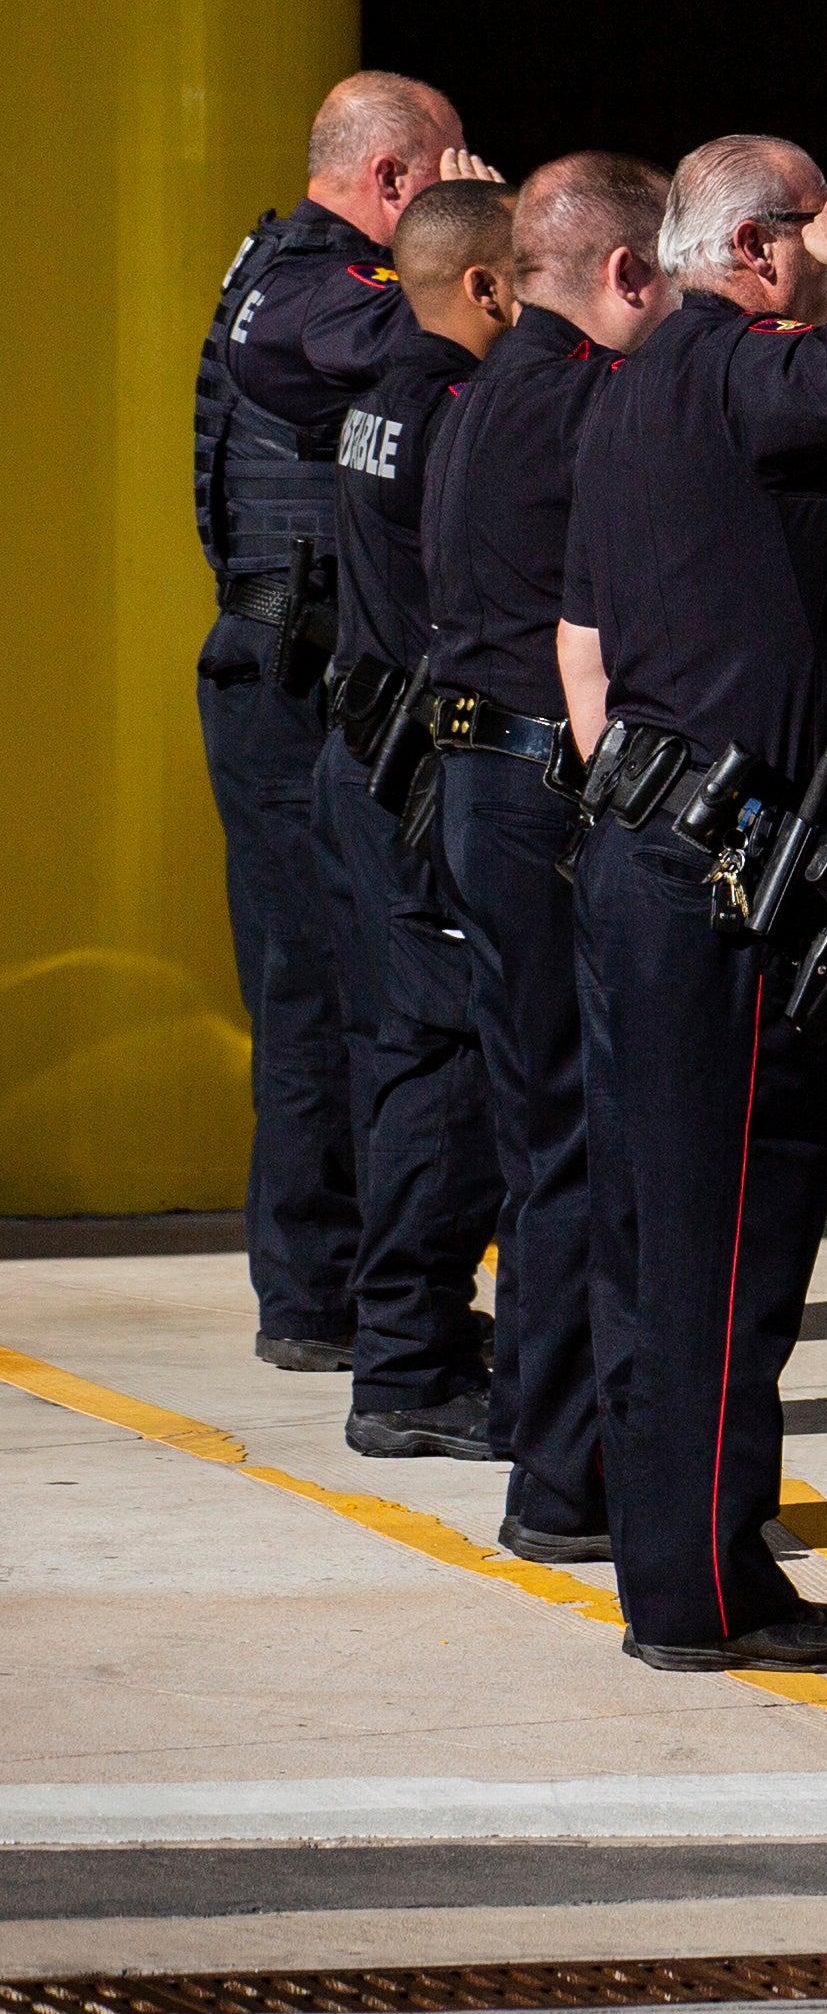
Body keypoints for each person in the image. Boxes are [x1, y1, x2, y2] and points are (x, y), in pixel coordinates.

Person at [558, 137, 827, 1670]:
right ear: (763, 251)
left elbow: (579, 647)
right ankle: (703, 1593)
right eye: (814, 231)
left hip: (651, 856)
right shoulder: (734, 361)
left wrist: (649, 813)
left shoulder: (632, 388)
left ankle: (681, 1562)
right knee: (728, 1249)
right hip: (726, 878)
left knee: (658, 1238)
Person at [193, 71, 493, 1369]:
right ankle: (317, 1294)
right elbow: (418, 344)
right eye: (444, 180)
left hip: (305, 679)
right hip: (292, 683)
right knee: (323, 992)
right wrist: (488, 253)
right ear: (391, 183)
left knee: (347, 989)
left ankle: (341, 1280)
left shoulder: (288, 273)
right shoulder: (315, 294)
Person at [420, 149, 669, 1562]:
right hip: (529, 780)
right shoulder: (581, 400)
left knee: (540, 1133)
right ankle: (564, 1477)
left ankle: (541, 1425)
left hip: (478, 778)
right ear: (626, 276)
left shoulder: (495, 384)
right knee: (577, 1140)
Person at [308, 180, 519, 1457]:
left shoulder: (386, 397)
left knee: (403, 1058)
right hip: (419, 777)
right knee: (445, 1071)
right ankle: (407, 1369)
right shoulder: (457, 417)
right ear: (489, 290)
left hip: (363, 760)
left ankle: (416, 1332)